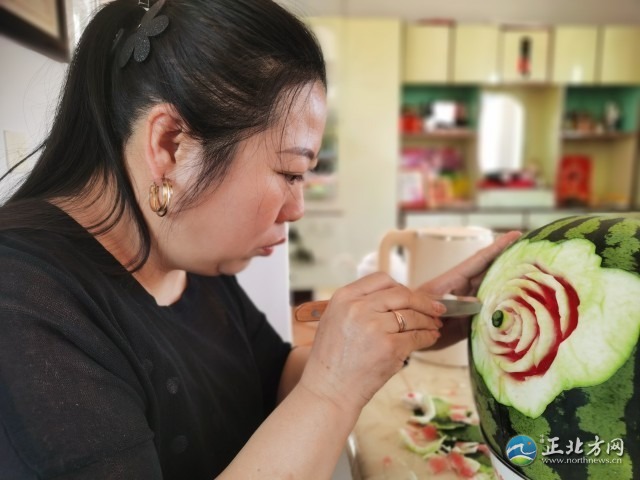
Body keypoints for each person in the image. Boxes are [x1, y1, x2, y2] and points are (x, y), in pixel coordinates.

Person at [0, 0, 520, 478]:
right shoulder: (22, 300)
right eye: (290, 173)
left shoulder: (185, 252)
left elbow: (272, 381)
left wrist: (405, 325)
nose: (296, 209)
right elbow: (312, 392)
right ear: (171, 145)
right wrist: (331, 391)